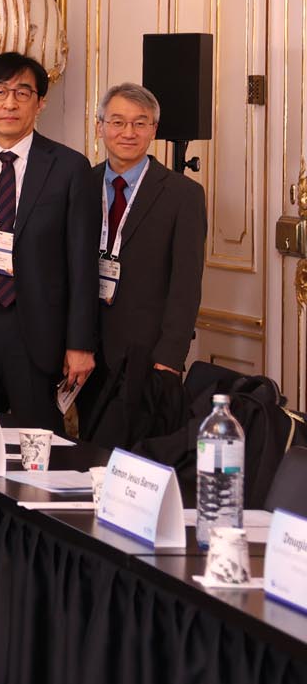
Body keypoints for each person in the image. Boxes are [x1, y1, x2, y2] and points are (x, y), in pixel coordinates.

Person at [0, 53, 99, 428]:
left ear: (40, 102)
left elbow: (82, 263)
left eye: (22, 92)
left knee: (39, 439)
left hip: (37, 329)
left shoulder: (69, 167)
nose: (10, 103)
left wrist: (80, 343)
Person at [80, 83, 207, 437]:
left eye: (140, 123)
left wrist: (169, 358)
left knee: (136, 453)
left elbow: (186, 284)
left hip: (146, 355)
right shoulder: (81, 184)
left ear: (154, 129)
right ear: (100, 126)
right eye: (118, 122)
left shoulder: (183, 195)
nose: (128, 133)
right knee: (87, 447)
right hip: (86, 349)